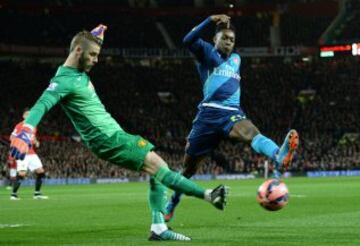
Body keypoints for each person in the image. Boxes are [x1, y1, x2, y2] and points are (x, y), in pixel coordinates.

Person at [9, 24, 228, 241]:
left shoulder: (75, 71)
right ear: (78, 51)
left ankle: (159, 227)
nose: (96, 60)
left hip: (112, 136)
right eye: (93, 55)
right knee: (161, 168)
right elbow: (42, 105)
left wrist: (96, 37)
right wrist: (25, 132)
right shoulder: (63, 81)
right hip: (109, 138)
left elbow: (84, 43)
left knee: (158, 169)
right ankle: (209, 195)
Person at [165, 15, 299, 222]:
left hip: (231, 113)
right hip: (208, 115)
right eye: (225, 38)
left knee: (251, 132)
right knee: (188, 169)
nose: (229, 42)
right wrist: (210, 20)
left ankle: (278, 155)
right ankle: (172, 203)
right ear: (214, 40)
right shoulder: (206, 53)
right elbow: (187, 40)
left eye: (232, 39)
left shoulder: (237, 59)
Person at [9, 109, 48, 200]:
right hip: (22, 152)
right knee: (22, 173)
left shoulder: (33, 126)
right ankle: (13, 194)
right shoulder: (19, 125)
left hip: (32, 153)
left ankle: (37, 193)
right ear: (23, 116)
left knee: (41, 171)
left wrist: (36, 142)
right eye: (27, 114)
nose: (29, 116)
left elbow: (32, 138)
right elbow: (12, 137)